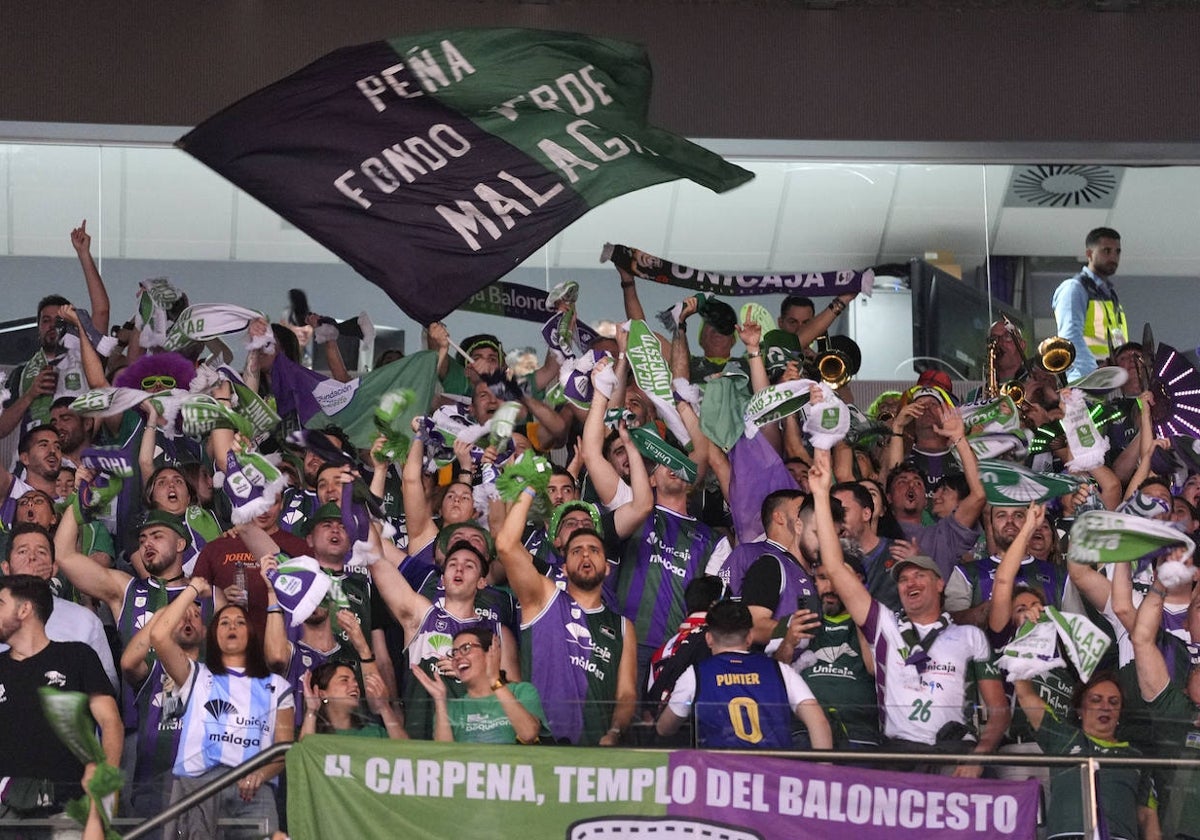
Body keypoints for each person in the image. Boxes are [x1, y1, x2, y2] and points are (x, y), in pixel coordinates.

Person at [808, 448, 1009, 776]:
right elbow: (835, 566)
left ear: (940, 583)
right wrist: (819, 496)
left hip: (956, 755)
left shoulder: (969, 636)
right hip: (899, 758)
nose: (910, 583)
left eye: (919, 575)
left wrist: (979, 754)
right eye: (902, 579)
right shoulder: (886, 627)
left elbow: (999, 710)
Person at [153, 578, 294, 840]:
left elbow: (284, 749)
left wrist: (259, 774)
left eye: (240, 622)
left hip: (255, 788)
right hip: (199, 784)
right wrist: (193, 589)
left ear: (251, 633)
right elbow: (159, 636)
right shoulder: (196, 675)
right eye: (224, 622)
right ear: (213, 634)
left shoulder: (278, 686)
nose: (232, 626)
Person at [496, 489, 637, 746]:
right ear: (563, 567)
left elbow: (626, 694)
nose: (585, 555)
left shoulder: (622, 626)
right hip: (540, 745)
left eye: (594, 550)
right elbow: (506, 545)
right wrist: (528, 488)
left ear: (607, 568)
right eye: (576, 551)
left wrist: (615, 731)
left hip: (595, 751)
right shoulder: (543, 599)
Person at [0, 574, 122, 830]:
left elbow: (110, 721)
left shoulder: (77, 656)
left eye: (1, 603)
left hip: (69, 806)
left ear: (24, 609)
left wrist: (104, 785)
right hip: (5, 808)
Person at [655, 599, 833, 750]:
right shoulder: (781, 671)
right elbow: (819, 723)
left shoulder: (696, 675)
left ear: (709, 639)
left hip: (720, 780)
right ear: (749, 638)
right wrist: (822, 773)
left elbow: (665, 728)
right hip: (774, 779)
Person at [1013, 670, 1152, 840]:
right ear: (1080, 709)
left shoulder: (1136, 757)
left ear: (1120, 712)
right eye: (1096, 700)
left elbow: (1147, 816)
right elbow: (1025, 694)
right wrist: (1022, 657)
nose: (1105, 707)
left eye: (1114, 702)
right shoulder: (1063, 738)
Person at [411, 627, 549, 744]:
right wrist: (440, 700)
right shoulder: (453, 707)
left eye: (466, 648)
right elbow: (445, 758)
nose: (457, 657)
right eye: (454, 652)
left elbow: (529, 734)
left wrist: (495, 680)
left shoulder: (521, 691)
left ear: (491, 653)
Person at [1052, 227, 1126, 382]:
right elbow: (1069, 337)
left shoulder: (1110, 295)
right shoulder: (1075, 288)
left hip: (1110, 379)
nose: (1113, 257)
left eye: (1117, 252)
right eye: (1106, 250)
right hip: (1086, 380)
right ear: (1089, 254)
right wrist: (1092, 376)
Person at [299, 659, 405, 739]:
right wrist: (312, 709)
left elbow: (407, 755)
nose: (355, 685)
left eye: (355, 681)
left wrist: (384, 707)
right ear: (322, 694)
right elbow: (302, 759)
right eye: (344, 680)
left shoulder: (374, 733)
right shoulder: (313, 733)